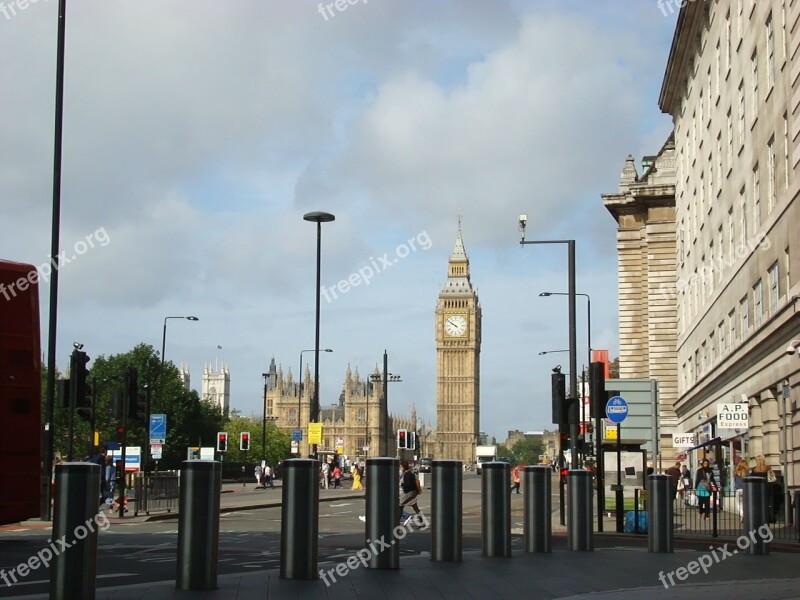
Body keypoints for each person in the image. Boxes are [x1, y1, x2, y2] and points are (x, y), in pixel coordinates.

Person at [399, 461, 425, 527]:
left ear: (404, 467)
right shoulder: (409, 473)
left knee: (400, 506)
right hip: (413, 492)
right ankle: (421, 522)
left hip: (408, 492)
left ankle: (397, 522)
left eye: (401, 466)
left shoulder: (407, 474)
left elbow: (408, 484)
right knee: (415, 507)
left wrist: (402, 484)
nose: (400, 468)